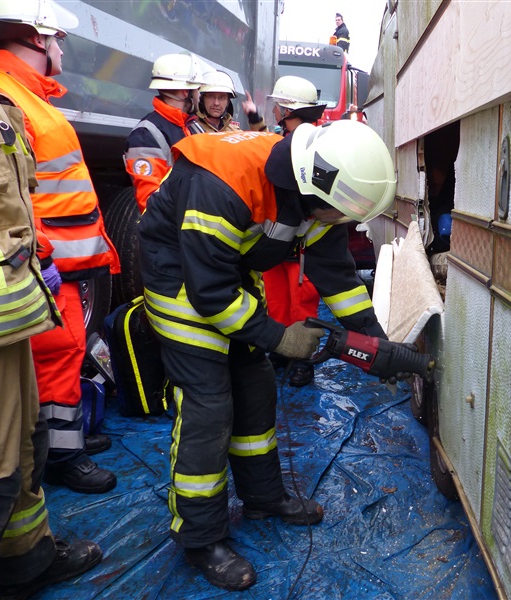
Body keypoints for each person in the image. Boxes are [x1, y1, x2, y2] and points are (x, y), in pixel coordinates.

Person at [136, 120, 395, 590]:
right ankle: (201, 538)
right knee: (208, 404)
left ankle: (262, 498)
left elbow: (335, 273)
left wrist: (376, 340)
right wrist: (280, 338)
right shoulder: (221, 184)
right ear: (312, 187)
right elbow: (210, 294)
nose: (338, 220)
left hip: (226, 271)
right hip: (179, 279)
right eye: (338, 212)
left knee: (254, 385)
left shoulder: (318, 193)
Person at [0, 0, 120, 495]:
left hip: (56, 260)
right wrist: (39, 255)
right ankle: (63, 457)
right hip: (41, 262)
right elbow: (10, 194)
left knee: (61, 353)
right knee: (57, 354)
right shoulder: (7, 96)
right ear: (38, 38)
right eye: (59, 39)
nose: (62, 49)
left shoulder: (23, 93)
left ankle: (60, 446)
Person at [0, 66, 103, 599]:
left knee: (23, 446)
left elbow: (13, 202)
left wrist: (37, 257)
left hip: (10, 314)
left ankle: (27, 561)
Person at [262, 75, 327, 387]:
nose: (275, 110)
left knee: (302, 304)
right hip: (277, 242)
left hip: (303, 244)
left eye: (278, 105)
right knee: (276, 302)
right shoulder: (281, 142)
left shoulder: (317, 146)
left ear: (288, 110)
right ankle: (281, 349)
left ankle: (303, 359)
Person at [124, 52, 209, 213]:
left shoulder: (193, 126)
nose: (199, 96)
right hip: (176, 226)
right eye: (197, 89)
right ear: (185, 92)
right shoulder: (145, 135)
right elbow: (150, 204)